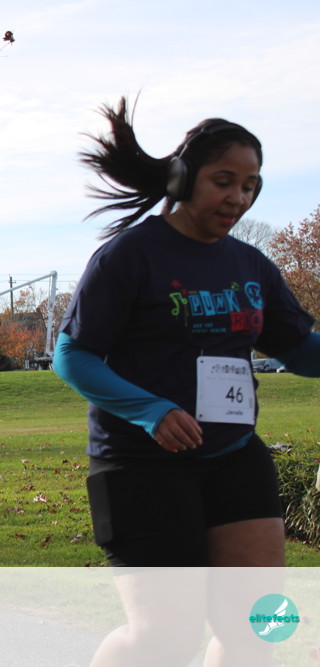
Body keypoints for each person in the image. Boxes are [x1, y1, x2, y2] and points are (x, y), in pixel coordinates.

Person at [53, 97, 320, 665]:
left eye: (250, 186)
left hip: (234, 457)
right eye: (224, 181)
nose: (238, 197)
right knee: (164, 639)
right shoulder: (130, 256)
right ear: (182, 178)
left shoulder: (251, 266)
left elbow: (298, 348)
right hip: (140, 466)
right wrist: (150, 410)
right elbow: (72, 356)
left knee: (256, 628)